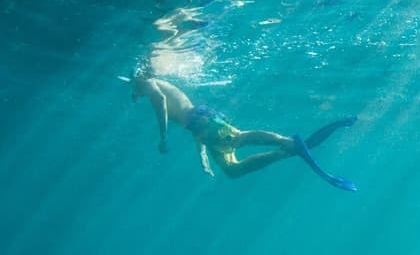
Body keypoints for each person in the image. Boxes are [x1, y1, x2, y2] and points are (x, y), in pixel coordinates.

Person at [129, 72, 357, 190]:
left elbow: (160, 101)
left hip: (202, 121)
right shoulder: (158, 84)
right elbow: (191, 125)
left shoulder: (144, 81)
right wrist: (202, 156)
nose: (134, 92)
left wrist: (163, 136)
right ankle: (284, 150)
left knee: (238, 139)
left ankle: (286, 143)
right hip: (201, 122)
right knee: (232, 168)